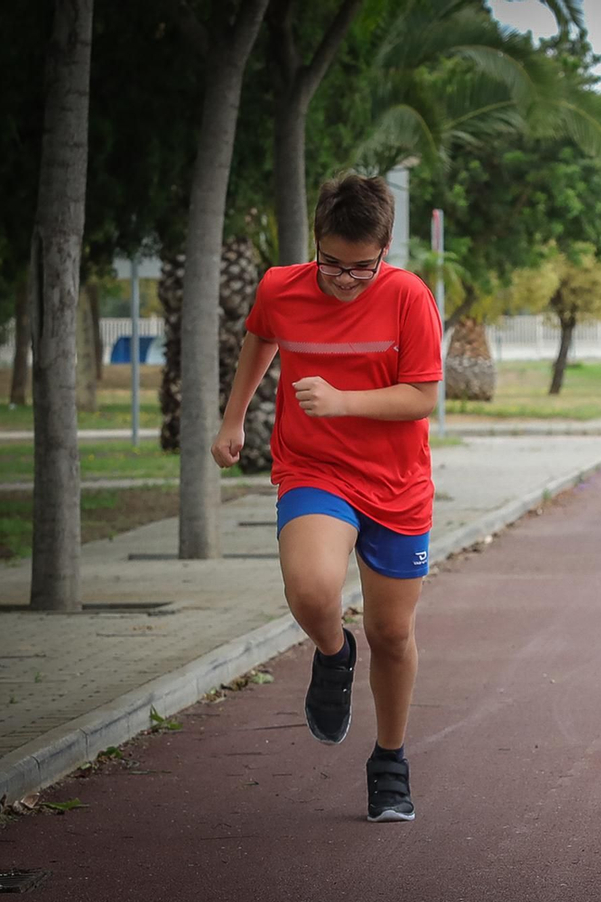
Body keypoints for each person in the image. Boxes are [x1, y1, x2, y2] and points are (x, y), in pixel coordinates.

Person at [211, 173, 443, 823]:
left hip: (397, 483)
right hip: (314, 467)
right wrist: (234, 419)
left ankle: (389, 761)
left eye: (360, 267)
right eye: (332, 263)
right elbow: (261, 336)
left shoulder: (408, 298)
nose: (344, 279)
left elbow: (423, 395)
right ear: (316, 240)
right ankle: (334, 655)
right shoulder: (279, 287)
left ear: (385, 248)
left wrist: (345, 401)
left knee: (392, 631)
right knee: (313, 591)